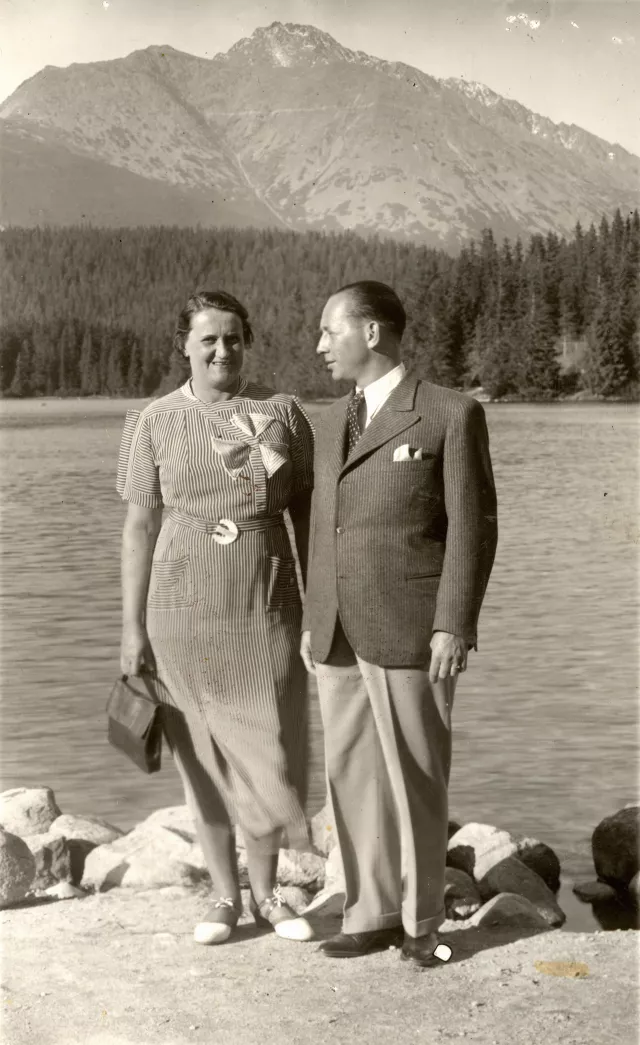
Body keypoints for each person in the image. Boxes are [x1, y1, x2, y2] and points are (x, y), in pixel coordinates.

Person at [300, 281, 498, 966]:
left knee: (416, 775)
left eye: (331, 330)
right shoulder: (328, 422)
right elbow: (323, 524)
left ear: (373, 333)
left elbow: (474, 529)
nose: (321, 344)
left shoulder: (450, 413)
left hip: (414, 627)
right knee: (350, 773)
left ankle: (421, 922)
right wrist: (311, 612)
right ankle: (371, 911)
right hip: (335, 630)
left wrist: (454, 622)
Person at [117, 290, 315, 946]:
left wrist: (321, 607)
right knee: (201, 759)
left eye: (233, 338)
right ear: (186, 346)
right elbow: (140, 527)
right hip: (180, 608)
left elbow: (307, 515)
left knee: (268, 749)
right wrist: (131, 628)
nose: (222, 350)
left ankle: (267, 894)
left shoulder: (279, 412)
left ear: (245, 341)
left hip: (267, 603)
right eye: (209, 339)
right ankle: (226, 897)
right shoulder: (155, 420)